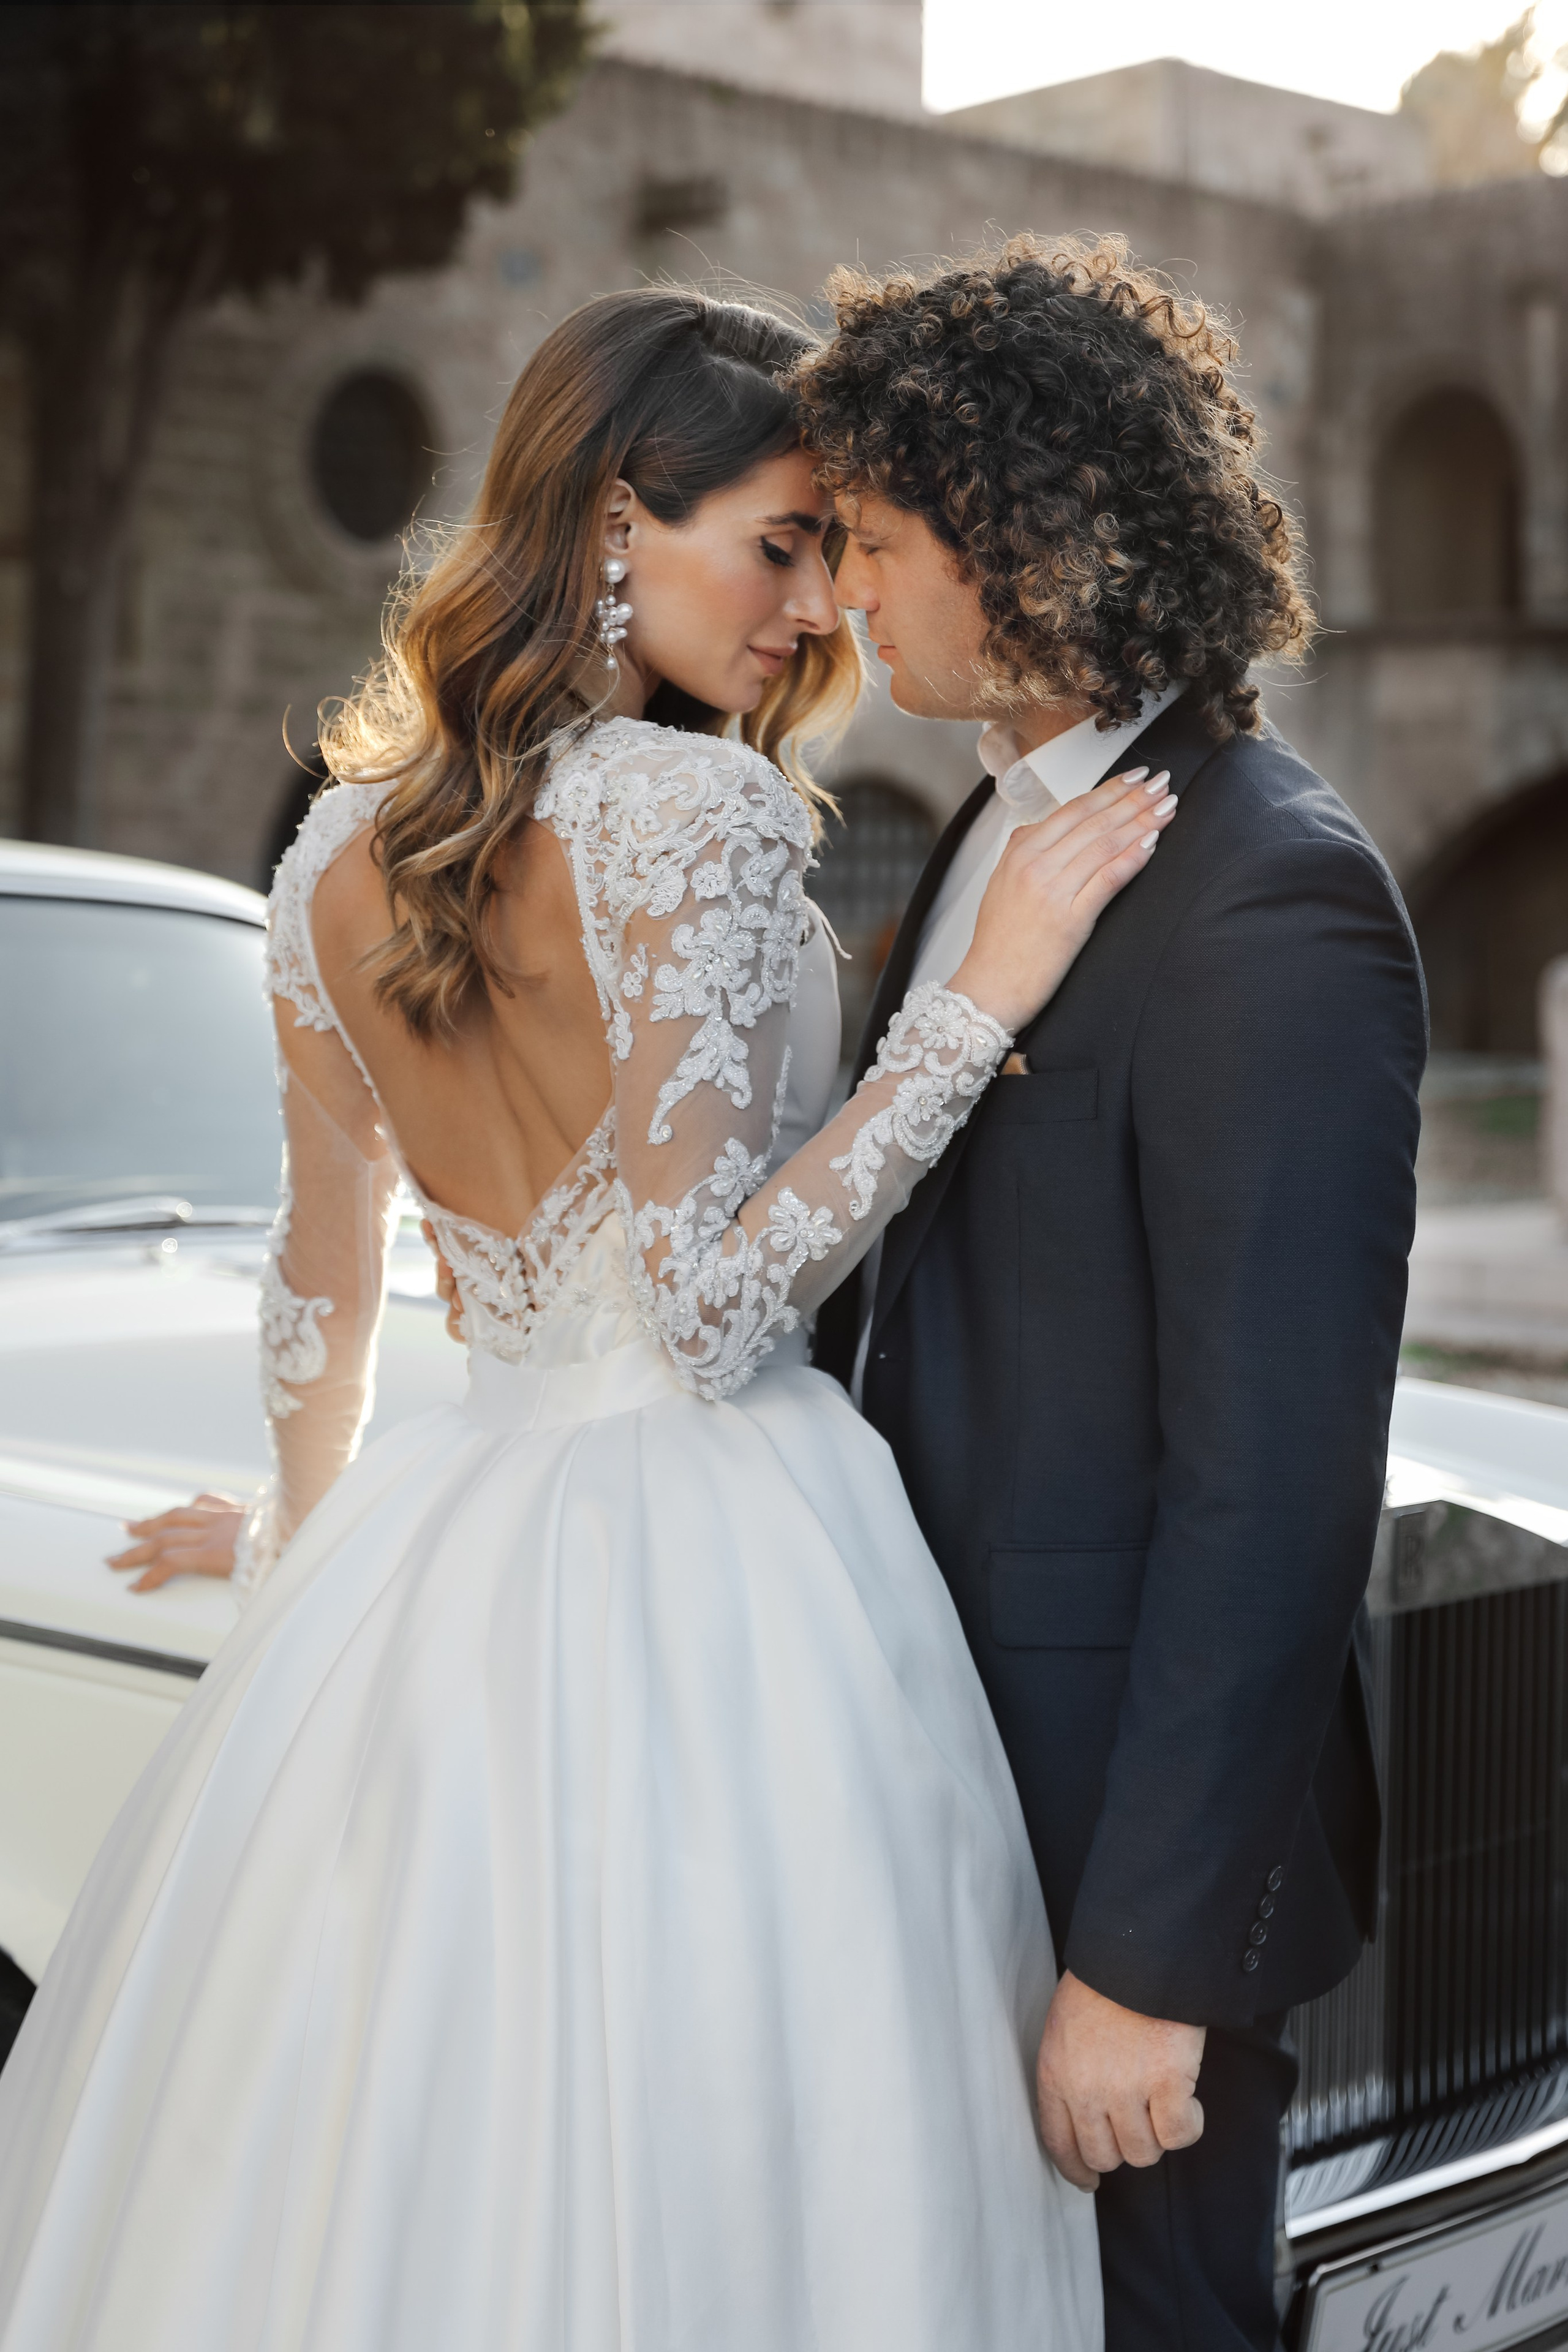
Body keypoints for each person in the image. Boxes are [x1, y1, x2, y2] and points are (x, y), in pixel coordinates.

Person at [0, 287, 1178, 2350]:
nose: (814, 608)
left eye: (834, 553)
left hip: (439, 1540)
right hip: (727, 1554)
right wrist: (984, 992)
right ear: (622, 520)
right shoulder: (692, 813)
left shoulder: (335, 850)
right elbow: (710, 1311)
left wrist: (303, 1571)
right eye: (781, 545)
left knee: (386, 2147)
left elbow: (322, 1292)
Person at [795, 236, 1428, 2351]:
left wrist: (1146, 1964)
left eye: (877, 541)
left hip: (1116, 1865)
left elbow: (1276, 1484)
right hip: (942, 1771)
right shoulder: (991, 827)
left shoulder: (1271, 892)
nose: (846, 595)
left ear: (1031, 532)